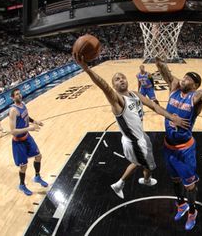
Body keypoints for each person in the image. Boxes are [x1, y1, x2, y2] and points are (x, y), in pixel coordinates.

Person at [74, 53, 190, 200]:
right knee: (146, 165)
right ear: (114, 86)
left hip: (141, 136)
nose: (121, 79)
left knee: (142, 163)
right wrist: (87, 69)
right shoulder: (118, 100)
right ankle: (122, 184)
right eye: (117, 79)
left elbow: (154, 106)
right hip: (134, 141)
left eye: (122, 77)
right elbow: (104, 86)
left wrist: (171, 117)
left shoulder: (135, 94)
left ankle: (139, 180)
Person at [155, 54, 202, 231]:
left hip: (184, 149)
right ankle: (181, 205)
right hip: (168, 146)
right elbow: (161, 67)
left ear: (195, 85)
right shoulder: (173, 86)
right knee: (174, 179)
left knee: (189, 185)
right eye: (185, 76)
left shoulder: (197, 96)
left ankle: (192, 212)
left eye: (189, 78)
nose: (184, 78)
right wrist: (158, 56)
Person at [9, 88, 48, 196]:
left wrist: (35, 121)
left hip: (27, 137)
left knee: (38, 156)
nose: (19, 95)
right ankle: (22, 185)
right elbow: (13, 131)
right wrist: (30, 128)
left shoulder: (23, 104)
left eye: (19, 93)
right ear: (12, 98)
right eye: (16, 94)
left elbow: (26, 116)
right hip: (18, 142)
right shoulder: (13, 111)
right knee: (23, 166)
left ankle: (37, 177)